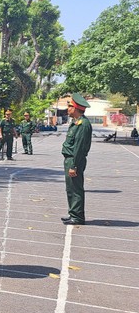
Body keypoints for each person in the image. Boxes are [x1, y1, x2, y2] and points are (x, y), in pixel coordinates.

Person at [61, 93, 93, 225]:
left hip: (75, 160)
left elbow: (79, 148)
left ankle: (78, 217)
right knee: (70, 188)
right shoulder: (76, 123)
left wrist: (74, 166)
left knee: (76, 189)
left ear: (75, 108)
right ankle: (73, 213)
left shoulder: (83, 124)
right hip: (70, 159)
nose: (68, 109)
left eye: (69, 106)